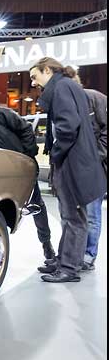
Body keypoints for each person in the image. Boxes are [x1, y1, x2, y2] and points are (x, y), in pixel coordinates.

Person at [30, 58, 106, 283]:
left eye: (34, 76)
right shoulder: (69, 86)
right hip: (78, 163)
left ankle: (69, 268)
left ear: (47, 70)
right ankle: (64, 262)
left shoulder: (62, 87)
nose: (33, 82)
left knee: (74, 218)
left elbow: (67, 126)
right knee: (73, 217)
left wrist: (55, 153)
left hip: (73, 164)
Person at [0, 99, 55, 261]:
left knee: (36, 205)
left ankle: (46, 244)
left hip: (19, 168)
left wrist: (26, 157)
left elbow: (26, 129)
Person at [77, 79, 107, 270]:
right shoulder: (63, 101)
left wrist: (96, 156)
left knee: (92, 214)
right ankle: (75, 254)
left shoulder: (95, 98)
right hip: (74, 168)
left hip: (95, 168)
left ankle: (89, 254)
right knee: (74, 215)